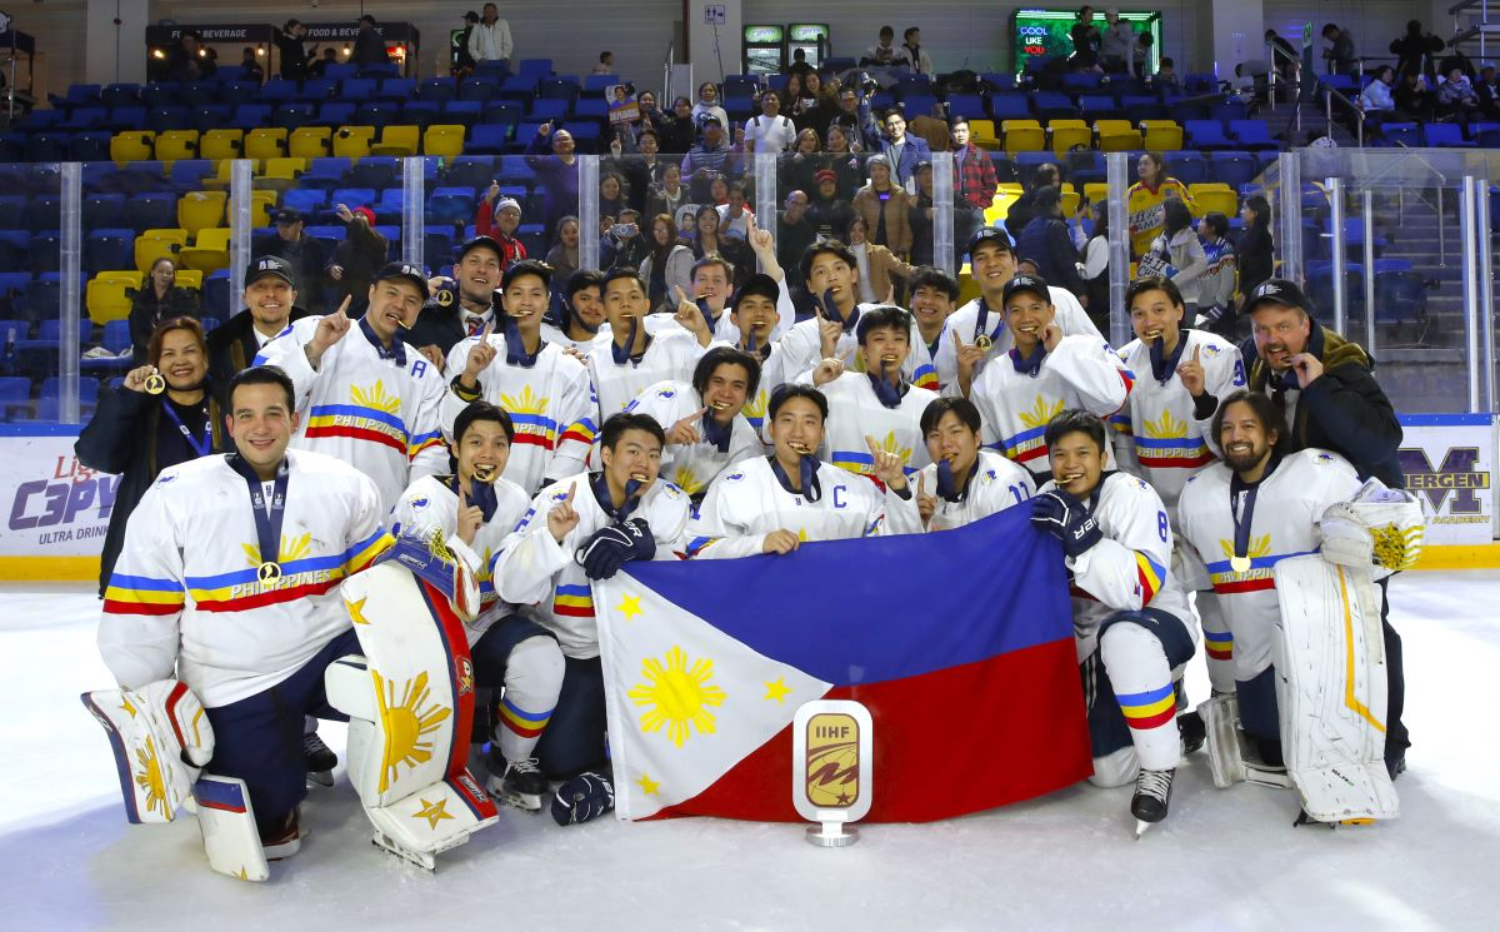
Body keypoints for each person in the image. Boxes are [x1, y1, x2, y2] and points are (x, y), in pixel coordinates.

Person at [97, 365, 392, 856]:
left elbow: (377, 582)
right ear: (229, 424)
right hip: (236, 676)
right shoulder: (176, 494)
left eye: (273, 413)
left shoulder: (343, 482)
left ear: (293, 420)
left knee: (410, 676)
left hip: (327, 649)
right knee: (270, 828)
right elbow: (142, 605)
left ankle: (391, 777)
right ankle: (273, 751)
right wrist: (152, 696)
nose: (261, 427)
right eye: (247, 415)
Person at [1177, 390, 1396, 781]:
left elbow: (1379, 548)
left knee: (1324, 745)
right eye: (1227, 428)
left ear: (1273, 435)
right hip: (1252, 657)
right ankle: (1233, 716)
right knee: (1270, 745)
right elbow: (1192, 573)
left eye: (1248, 426)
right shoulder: (1199, 494)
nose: (1235, 436)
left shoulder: (1318, 475)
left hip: (1317, 654)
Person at [493, 412, 691, 792]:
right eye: (633, 451)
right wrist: (551, 538)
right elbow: (509, 585)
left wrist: (650, 549)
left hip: (633, 652)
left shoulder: (668, 501)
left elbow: (688, 570)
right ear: (606, 455)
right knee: (562, 766)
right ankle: (506, 748)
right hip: (569, 648)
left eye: (653, 454)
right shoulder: (561, 498)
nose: (644, 463)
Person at [388, 400, 562, 809]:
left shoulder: (516, 498)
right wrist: (461, 540)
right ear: (455, 448)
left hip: (488, 623)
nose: (488, 453)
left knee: (542, 655)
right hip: (430, 631)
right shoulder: (424, 498)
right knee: (431, 757)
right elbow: (413, 588)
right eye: (476, 442)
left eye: (499, 444)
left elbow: (522, 580)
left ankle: (510, 760)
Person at [1030, 409, 1196, 828]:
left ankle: (1159, 766)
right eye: (1060, 455)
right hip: (1087, 642)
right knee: (1106, 772)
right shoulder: (1047, 497)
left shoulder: (1132, 494)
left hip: (1153, 625)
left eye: (1082, 453)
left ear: (1103, 457)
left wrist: (1084, 540)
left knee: (1124, 637)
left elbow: (1138, 591)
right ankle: (1171, 725)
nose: (1070, 464)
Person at [254, 264, 447, 514]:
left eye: (411, 300)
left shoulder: (424, 373)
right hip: (304, 509)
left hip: (378, 522)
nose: (400, 305)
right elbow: (258, 391)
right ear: (371, 292)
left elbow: (428, 454)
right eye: (391, 293)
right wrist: (315, 349)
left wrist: (416, 513)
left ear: (419, 310)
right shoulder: (312, 329)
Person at [77, 317, 225, 595]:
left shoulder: (232, 404)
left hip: (219, 546)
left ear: (205, 357)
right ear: (155, 362)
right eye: (168, 354)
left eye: (190, 351)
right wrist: (128, 398)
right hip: (151, 551)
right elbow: (95, 456)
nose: (180, 361)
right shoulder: (140, 408)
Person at [686, 384, 921, 558]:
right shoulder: (734, 483)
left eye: (809, 422)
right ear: (772, 429)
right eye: (788, 420)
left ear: (822, 433)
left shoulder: (857, 489)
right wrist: (758, 544)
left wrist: (897, 485)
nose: (798, 432)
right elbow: (698, 548)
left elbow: (898, 549)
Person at [441, 261, 594, 495]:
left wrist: (549, 493)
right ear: (504, 301)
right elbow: (450, 431)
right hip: (473, 494)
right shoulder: (468, 351)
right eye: (517, 293)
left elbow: (576, 437)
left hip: (543, 499)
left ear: (547, 302)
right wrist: (470, 375)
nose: (526, 302)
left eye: (535, 294)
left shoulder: (569, 367)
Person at [1238, 279, 1403, 488]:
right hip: (1289, 493)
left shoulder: (1341, 362)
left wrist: (1320, 388)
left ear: (1305, 326)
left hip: (1359, 497)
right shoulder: (1250, 355)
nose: (1272, 339)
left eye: (1283, 327)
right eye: (1261, 329)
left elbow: (1382, 444)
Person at [963, 274, 1130, 479]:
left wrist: (1061, 350)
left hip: (1095, 483)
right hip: (1030, 491)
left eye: (1035, 308)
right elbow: (989, 454)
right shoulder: (988, 379)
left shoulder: (1086, 347)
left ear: (1051, 311)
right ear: (1004, 317)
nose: (1026, 318)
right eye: (1016, 310)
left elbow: (1114, 399)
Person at [1110, 277, 1244, 517]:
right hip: (1148, 504)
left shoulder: (1221, 355)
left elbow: (1235, 443)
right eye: (1139, 314)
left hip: (1211, 500)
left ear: (1179, 311)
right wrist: (1137, 501)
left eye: (1159, 310)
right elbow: (1124, 447)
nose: (1149, 322)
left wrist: (1201, 397)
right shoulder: (1121, 363)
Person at [935, 228, 1101, 397]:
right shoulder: (958, 323)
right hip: (996, 413)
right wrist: (963, 378)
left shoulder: (1060, 300)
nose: (992, 263)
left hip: (1065, 409)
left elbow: (1100, 360)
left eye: (1000, 254)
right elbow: (944, 397)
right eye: (981, 258)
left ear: (1015, 263)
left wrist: (1063, 350)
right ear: (972, 271)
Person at [805, 304, 938, 482]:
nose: (890, 347)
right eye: (880, 339)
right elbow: (784, 416)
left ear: (908, 350)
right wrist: (814, 378)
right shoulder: (835, 387)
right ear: (863, 350)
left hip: (905, 498)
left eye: (898, 339)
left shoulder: (930, 404)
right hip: (842, 498)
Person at [623, 346, 763, 498]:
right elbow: (610, 446)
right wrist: (662, 438)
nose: (726, 393)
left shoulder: (748, 443)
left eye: (737, 386)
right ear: (702, 383)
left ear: (747, 394)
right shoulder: (667, 398)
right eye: (718, 381)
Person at [587, 268, 711, 419]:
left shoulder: (679, 346)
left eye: (633, 297)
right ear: (604, 309)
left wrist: (702, 330)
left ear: (646, 306)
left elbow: (716, 375)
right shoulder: (594, 363)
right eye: (615, 298)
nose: (625, 304)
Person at [909, 397, 1035, 530]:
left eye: (955, 431)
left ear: (976, 438)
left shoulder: (1004, 482)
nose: (945, 443)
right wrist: (918, 523)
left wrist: (948, 538)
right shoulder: (919, 488)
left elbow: (1017, 541)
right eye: (935, 435)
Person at [207, 257, 310, 389]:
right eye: (260, 287)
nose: (271, 294)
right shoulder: (220, 349)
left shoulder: (318, 339)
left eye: (280, 286)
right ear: (246, 298)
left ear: (293, 297)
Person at [408, 235, 506, 370]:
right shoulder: (425, 318)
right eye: (474, 261)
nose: (482, 270)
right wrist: (414, 298)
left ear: (499, 278)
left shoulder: (512, 324)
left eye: (491, 264)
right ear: (457, 271)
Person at [1139, 199, 1208, 318]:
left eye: (1161, 210)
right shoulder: (1162, 237)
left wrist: (1176, 280)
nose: (1158, 214)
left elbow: (1202, 263)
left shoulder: (1189, 237)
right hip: (1165, 297)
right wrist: (1155, 251)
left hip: (1186, 299)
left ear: (1170, 214)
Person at [253, 208, 330, 312]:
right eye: (279, 226)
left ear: (300, 225)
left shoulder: (314, 246)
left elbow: (320, 277)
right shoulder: (266, 247)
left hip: (309, 306)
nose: (282, 230)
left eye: (287, 226)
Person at [1018, 187, 1086, 301]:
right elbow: (1065, 263)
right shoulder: (1055, 226)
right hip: (1056, 292)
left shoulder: (1026, 229)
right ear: (1055, 204)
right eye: (1060, 202)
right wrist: (1080, 291)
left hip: (1032, 290)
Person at [127, 258, 200, 365]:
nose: (164, 275)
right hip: (146, 348)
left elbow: (190, 322)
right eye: (160, 271)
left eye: (169, 273)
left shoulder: (183, 297)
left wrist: (170, 344)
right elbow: (135, 326)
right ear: (153, 273)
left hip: (175, 346)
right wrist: (148, 344)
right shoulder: (141, 297)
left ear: (173, 276)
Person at [1126, 153, 1193, 258]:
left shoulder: (1174, 184)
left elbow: (1190, 208)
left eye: (1146, 164)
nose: (1141, 167)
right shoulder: (1132, 192)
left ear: (1158, 167)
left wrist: (1175, 210)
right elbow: (1126, 224)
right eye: (1139, 164)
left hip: (1173, 248)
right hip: (1145, 251)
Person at [327, 204, 389, 317]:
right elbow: (332, 262)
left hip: (370, 297)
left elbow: (380, 247)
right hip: (347, 297)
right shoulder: (344, 245)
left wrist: (353, 221)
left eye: (361, 215)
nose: (357, 218)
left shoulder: (378, 241)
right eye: (355, 215)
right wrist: (332, 268)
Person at [525, 122, 581, 246]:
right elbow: (529, 157)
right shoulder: (548, 162)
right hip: (554, 219)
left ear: (573, 143)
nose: (562, 142)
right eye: (558, 140)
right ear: (553, 146)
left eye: (565, 139)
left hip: (579, 217)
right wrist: (540, 136)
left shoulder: (584, 162)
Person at [852, 155, 912, 259]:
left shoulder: (900, 194)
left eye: (881, 169)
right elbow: (855, 223)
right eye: (873, 170)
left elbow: (906, 226)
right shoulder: (862, 194)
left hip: (895, 253)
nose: (877, 173)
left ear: (888, 171)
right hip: (868, 252)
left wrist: (902, 250)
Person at [950, 116, 998, 245]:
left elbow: (991, 184)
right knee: (954, 253)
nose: (960, 134)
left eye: (963, 130)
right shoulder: (944, 156)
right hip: (952, 213)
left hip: (975, 212)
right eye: (956, 131)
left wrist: (980, 205)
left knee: (978, 249)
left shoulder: (980, 154)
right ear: (950, 133)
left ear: (969, 132)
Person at [846, 216, 914, 307]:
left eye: (861, 230)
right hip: (859, 307)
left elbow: (900, 267)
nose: (856, 234)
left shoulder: (879, 252)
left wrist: (921, 272)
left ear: (866, 232)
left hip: (882, 304)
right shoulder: (844, 256)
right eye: (853, 230)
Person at [638, 214, 695, 312]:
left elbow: (685, 286)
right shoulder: (651, 257)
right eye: (657, 230)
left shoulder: (682, 252)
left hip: (677, 310)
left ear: (671, 229)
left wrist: (667, 304)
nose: (661, 233)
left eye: (664, 229)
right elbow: (642, 282)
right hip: (652, 310)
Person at [541, 268, 606, 352]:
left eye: (600, 300)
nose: (593, 307)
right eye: (585, 298)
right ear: (568, 303)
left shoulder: (615, 343)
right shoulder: (543, 335)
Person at [1196, 213, 1237, 333]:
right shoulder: (1201, 248)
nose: (1199, 224)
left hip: (1220, 311)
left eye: (1203, 221)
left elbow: (1228, 283)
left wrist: (1217, 309)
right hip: (1203, 308)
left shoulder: (1225, 249)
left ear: (1212, 228)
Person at [473, 188, 530, 267]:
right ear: (496, 216)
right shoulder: (488, 237)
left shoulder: (520, 248)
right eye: (506, 212)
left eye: (515, 214)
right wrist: (489, 198)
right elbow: (483, 220)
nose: (511, 216)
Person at [680, 118, 733, 201]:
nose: (712, 129)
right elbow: (680, 178)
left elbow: (735, 178)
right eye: (708, 126)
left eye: (715, 126)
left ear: (721, 132)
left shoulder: (729, 151)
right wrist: (693, 176)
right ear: (703, 131)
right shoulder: (692, 152)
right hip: (697, 199)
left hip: (723, 201)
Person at [878, 109, 931, 191]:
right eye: (890, 124)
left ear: (904, 124)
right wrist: (865, 103)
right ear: (885, 128)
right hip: (889, 195)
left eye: (897, 122)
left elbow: (928, 170)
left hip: (912, 195)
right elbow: (866, 128)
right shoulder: (882, 144)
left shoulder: (919, 144)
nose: (895, 127)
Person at [1005, 162, 1060, 241]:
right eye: (1054, 181)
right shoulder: (1032, 196)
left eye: (1058, 180)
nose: (1057, 184)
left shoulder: (1051, 196)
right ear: (1045, 180)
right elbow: (1011, 216)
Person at [1235, 195, 1274, 305]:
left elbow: (1265, 271)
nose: (1241, 212)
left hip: (1254, 296)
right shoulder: (1248, 234)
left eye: (1244, 208)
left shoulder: (1262, 237)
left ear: (1254, 213)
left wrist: (1245, 293)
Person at [807, 169, 856, 240]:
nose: (828, 187)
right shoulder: (811, 209)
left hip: (840, 245)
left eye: (831, 183)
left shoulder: (844, 206)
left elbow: (852, 228)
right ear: (818, 187)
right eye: (824, 184)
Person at [745, 90, 798, 155]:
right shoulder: (753, 122)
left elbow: (792, 147)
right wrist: (747, 163)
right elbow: (748, 148)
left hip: (781, 161)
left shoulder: (787, 122)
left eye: (773, 99)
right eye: (766, 99)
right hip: (759, 161)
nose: (770, 101)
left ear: (779, 104)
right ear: (761, 104)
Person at [777, 190, 816, 275]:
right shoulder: (771, 219)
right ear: (786, 203)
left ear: (806, 208)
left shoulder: (807, 231)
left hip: (791, 275)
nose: (797, 208)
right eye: (794, 203)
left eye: (801, 205)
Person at [545, 216, 581, 290]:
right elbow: (546, 279)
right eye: (566, 233)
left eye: (574, 232)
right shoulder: (553, 255)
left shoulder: (588, 252)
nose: (571, 236)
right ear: (560, 235)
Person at [1100, 8, 1137, 75]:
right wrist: (1103, 56)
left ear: (1117, 16)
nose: (1109, 18)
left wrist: (1117, 33)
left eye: (1111, 16)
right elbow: (1103, 46)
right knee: (1108, 78)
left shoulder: (1124, 26)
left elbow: (1129, 41)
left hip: (1120, 58)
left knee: (1119, 78)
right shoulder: (1106, 30)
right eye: (1107, 16)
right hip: (1108, 60)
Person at [1070, 6, 1102, 71]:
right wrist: (1089, 33)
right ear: (1082, 16)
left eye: (1092, 15)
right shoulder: (1076, 28)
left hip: (1092, 60)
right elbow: (1078, 42)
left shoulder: (1092, 28)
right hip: (1081, 60)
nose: (1092, 17)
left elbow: (1099, 43)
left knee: (1101, 74)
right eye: (1089, 15)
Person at [453, 11, 480, 76]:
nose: (465, 21)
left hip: (468, 67)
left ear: (469, 20)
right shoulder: (480, 32)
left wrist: (460, 66)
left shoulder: (468, 31)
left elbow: (465, 50)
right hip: (477, 65)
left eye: (465, 19)